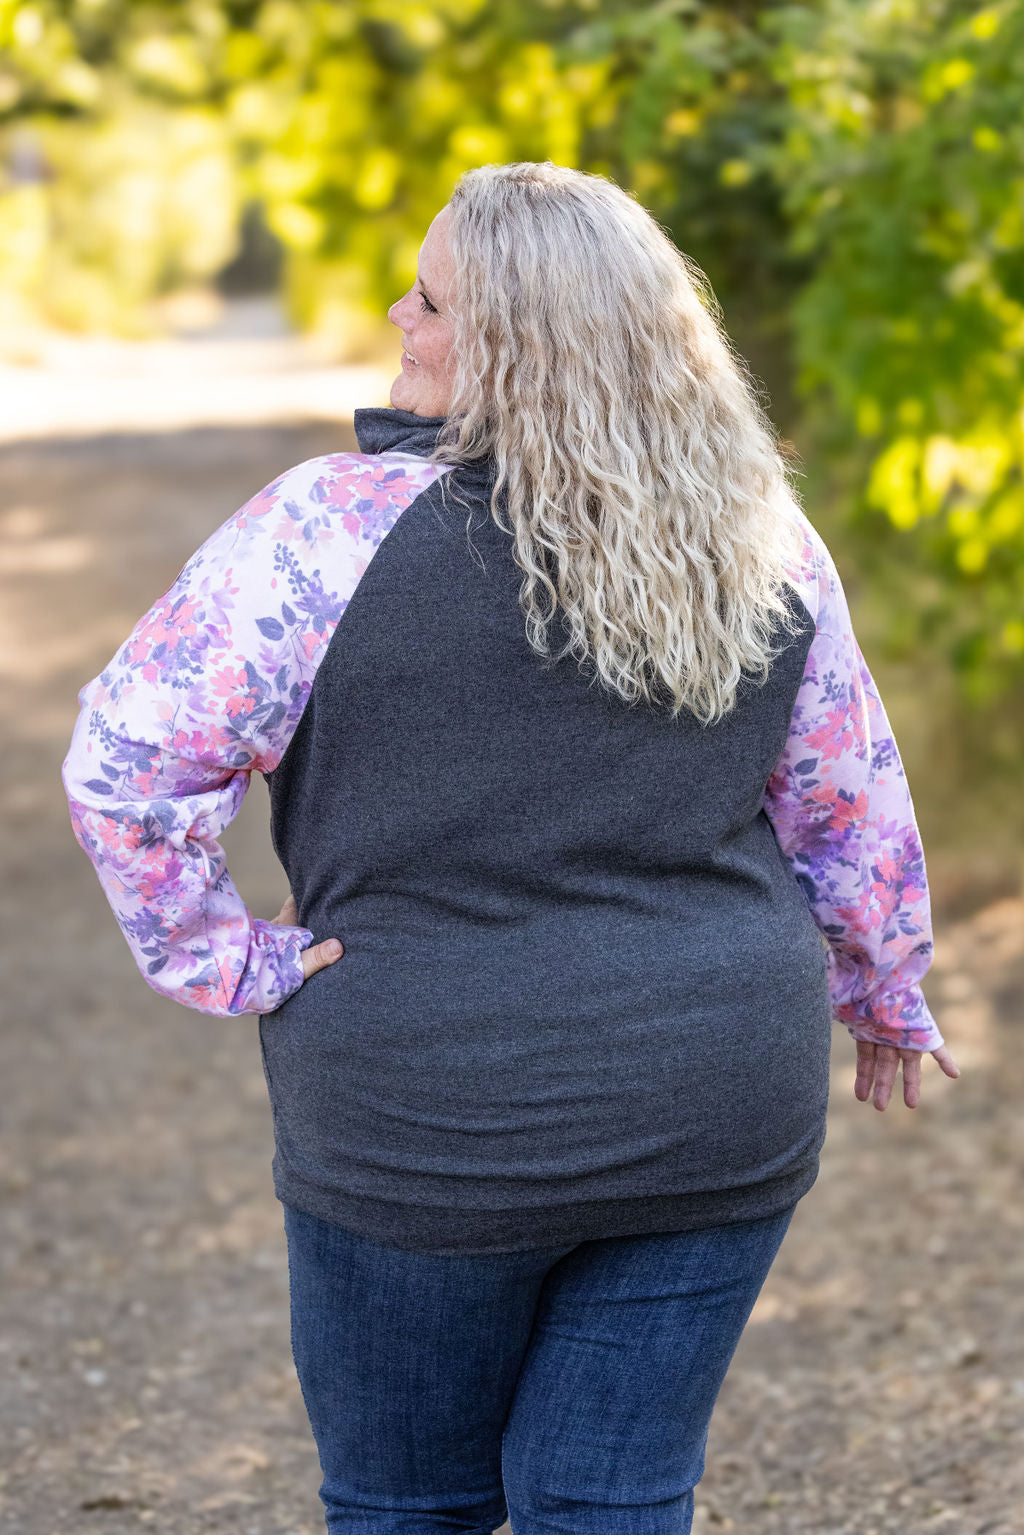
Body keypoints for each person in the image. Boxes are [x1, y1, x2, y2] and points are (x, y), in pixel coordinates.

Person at [62, 160, 960, 1534]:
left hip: (426, 1112)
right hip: (715, 1095)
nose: (394, 314)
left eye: (425, 299)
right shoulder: (760, 534)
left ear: (510, 343)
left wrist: (227, 962)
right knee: (613, 1499)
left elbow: (126, 768)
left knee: (407, 1506)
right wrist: (883, 991)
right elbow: (851, 807)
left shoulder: (321, 533)